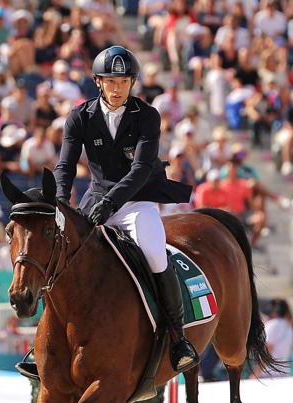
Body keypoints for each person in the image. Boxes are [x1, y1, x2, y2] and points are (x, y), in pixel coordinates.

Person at [51, 45, 196, 373]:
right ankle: (44, 341)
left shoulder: (146, 116)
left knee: (155, 253)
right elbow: (65, 165)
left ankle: (177, 337)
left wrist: (111, 203)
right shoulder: (80, 116)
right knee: (60, 253)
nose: (117, 88)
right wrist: (61, 201)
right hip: (95, 196)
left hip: (137, 200)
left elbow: (141, 169)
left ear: (132, 83)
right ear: (98, 82)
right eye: (110, 81)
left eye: (124, 81)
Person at [262, 299, 293, 378]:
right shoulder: (290, 327)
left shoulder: (272, 325)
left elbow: (268, 348)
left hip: (268, 373)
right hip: (284, 372)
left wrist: (257, 370)